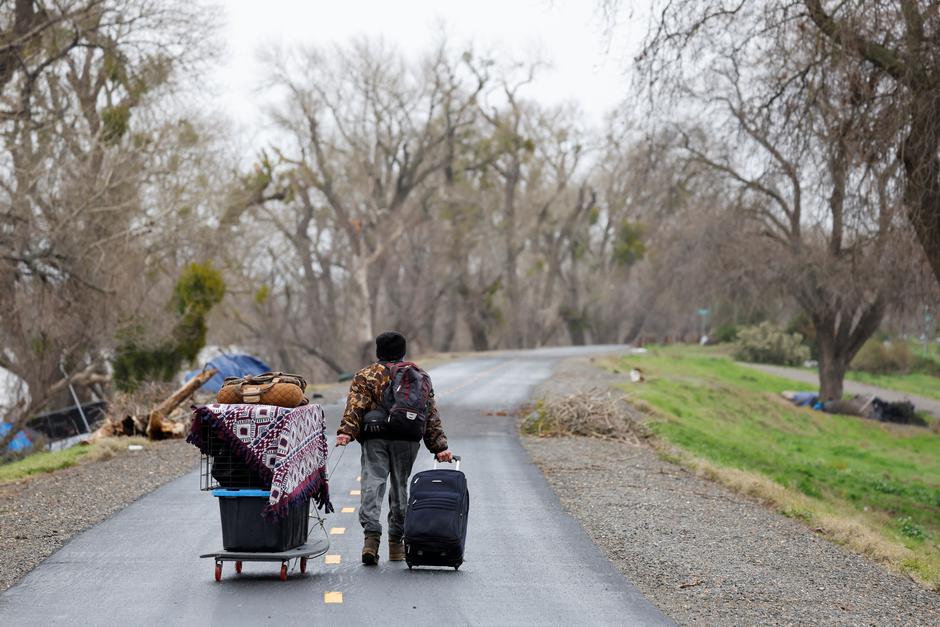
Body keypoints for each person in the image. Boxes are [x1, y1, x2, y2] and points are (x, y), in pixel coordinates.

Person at [335, 331, 453, 565]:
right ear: (403, 351)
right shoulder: (417, 375)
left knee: (373, 483)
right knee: (400, 488)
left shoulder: (366, 375)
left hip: (375, 438)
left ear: (378, 351)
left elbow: (355, 407)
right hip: (406, 440)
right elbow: (429, 412)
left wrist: (346, 432)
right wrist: (439, 446)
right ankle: (396, 543)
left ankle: (371, 538)